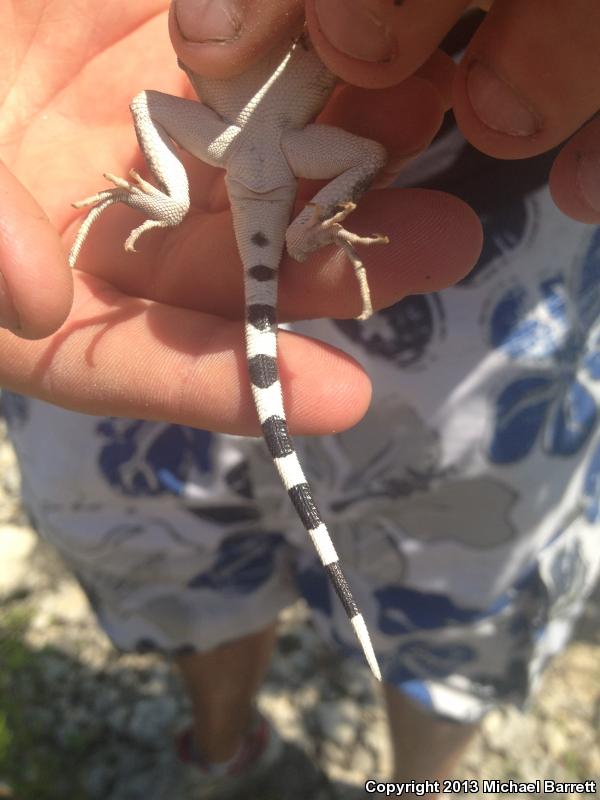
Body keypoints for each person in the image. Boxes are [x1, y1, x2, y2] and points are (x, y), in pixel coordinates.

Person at [1, 1, 599, 797]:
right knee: (168, 547)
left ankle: (414, 783)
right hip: (239, 154)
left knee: (457, 597)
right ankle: (224, 752)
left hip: (442, 184)